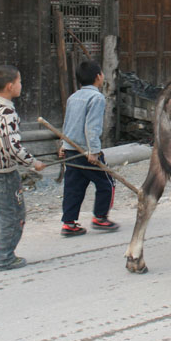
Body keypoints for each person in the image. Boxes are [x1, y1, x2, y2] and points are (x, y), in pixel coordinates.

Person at [0, 65, 45, 271]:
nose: (21, 85)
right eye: (19, 82)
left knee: (6, 210)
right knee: (15, 214)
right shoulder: (7, 112)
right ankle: (4, 257)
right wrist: (33, 163)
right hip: (3, 171)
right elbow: (12, 149)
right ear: (10, 86)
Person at [58, 60, 118, 236]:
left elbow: (67, 123)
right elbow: (92, 127)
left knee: (73, 187)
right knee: (107, 183)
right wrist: (93, 151)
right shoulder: (96, 98)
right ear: (98, 77)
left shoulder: (73, 97)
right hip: (86, 151)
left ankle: (69, 223)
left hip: (71, 149)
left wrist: (64, 145)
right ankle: (100, 217)